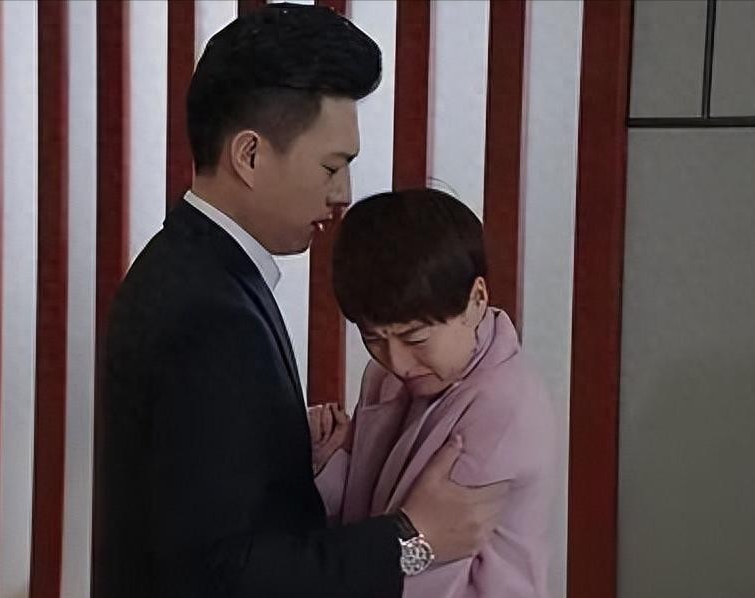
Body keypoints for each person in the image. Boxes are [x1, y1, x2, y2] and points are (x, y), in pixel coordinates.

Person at [94, 5, 507, 597]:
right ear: (250, 155)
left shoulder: (190, 267)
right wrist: (413, 539)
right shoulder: (209, 315)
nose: (343, 194)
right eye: (331, 166)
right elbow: (222, 572)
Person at [311, 188, 558, 597]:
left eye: (416, 339)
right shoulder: (385, 375)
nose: (398, 362)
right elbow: (364, 509)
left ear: (477, 299)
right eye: (374, 339)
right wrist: (329, 459)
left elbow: (434, 569)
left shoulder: (502, 406)